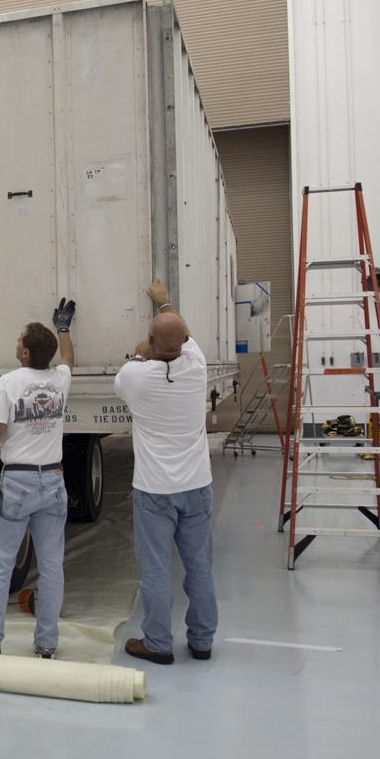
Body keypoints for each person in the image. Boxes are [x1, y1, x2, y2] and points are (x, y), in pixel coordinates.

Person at [114, 279, 217, 664]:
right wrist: (165, 302)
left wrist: (143, 354)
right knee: (200, 567)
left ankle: (157, 643)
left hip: (155, 491)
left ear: (149, 342)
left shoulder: (135, 377)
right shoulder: (197, 366)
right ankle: (202, 641)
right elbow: (181, 332)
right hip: (197, 486)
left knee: (156, 571)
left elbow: (137, 363)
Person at [0, 299, 76, 658]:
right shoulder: (59, 381)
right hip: (54, 482)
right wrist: (63, 328)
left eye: (19, 339)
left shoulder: (9, 383)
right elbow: (68, 360)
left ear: (26, 352)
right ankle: (47, 644)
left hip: (16, 484)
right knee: (51, 567)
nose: (16, 342)